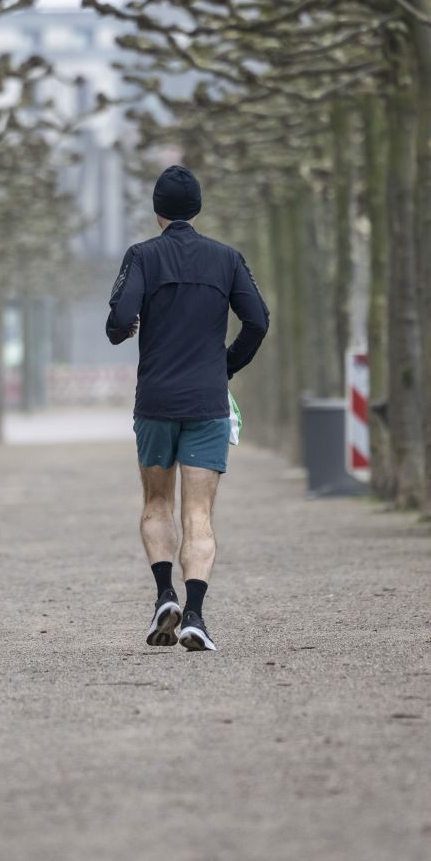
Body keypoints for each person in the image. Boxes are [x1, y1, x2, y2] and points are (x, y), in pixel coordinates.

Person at [106, 165, 270, 652]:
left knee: (157, 504)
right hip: (207, 401)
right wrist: (225, 366)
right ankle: (195, 614)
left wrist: (126, 327)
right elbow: (258, 321)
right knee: (199, 514)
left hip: (156, 401)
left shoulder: (142, 257)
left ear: (157, 212)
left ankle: (164, 597)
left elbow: (117, 321)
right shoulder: (227, 258)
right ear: (196, 209)